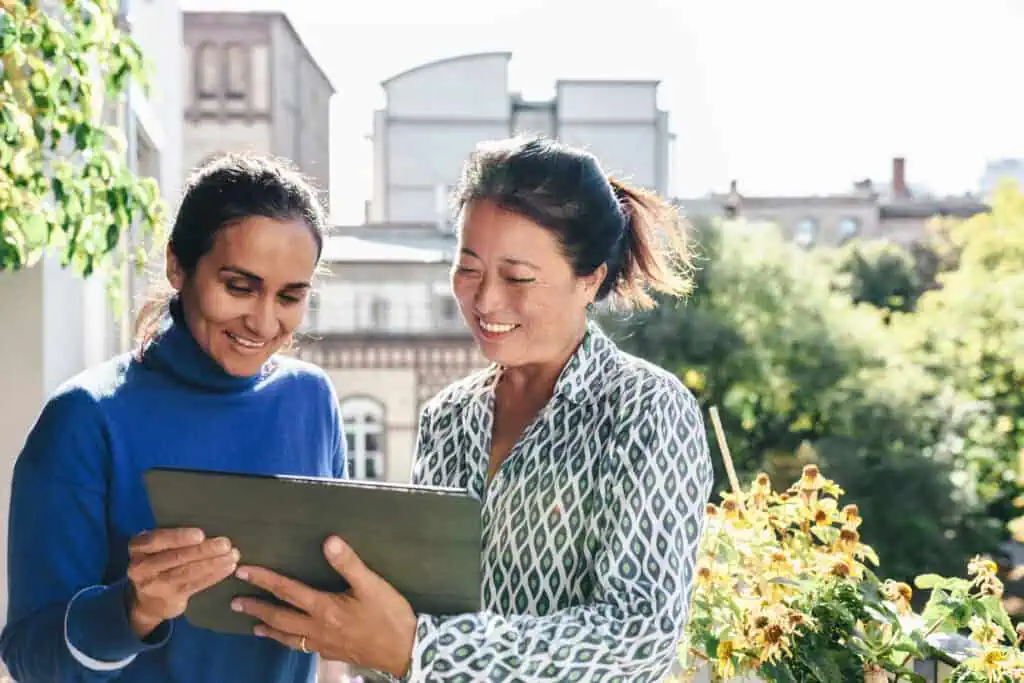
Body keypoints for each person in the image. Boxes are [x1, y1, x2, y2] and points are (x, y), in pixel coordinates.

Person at [230, 136, 715, 681]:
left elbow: (639, 635)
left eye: (518, 278)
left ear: (591, 279)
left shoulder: (647, 410)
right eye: (468, 268)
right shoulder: (448, 417)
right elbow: (418, 610)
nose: (484, 301)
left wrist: (422, 650)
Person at [0, 153, 346, 683]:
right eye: (239, 286)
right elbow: (27, 656)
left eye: (291, 296)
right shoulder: (84, 419)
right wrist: (132, 611)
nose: (264, 320)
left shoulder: (311, 400)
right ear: (177, 266)